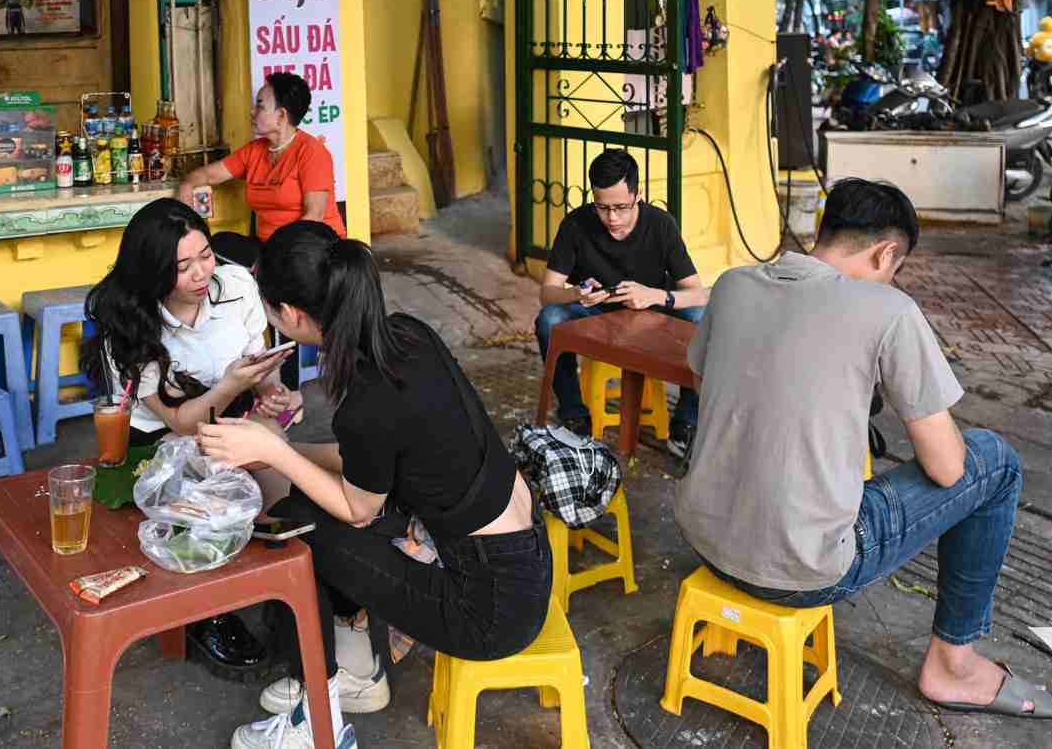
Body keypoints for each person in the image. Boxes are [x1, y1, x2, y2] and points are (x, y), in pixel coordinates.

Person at [678, 179, 1052, 721]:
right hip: (804, 569)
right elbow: (947, 467)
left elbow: (710, 386)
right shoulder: (888, 309)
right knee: (994, 460)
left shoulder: (731, 285)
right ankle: (953, 665)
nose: (893, 278)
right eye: (896, 266)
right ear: (887, 252)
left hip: (705, 537)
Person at [200, 222, 551, 749]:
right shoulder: (407, 336)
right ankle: (356, 667)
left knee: (299, 523)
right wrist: (281, 448)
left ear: (292, 315)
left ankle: (314, 707)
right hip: (521, 560)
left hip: (489, 608)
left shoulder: (368, 400)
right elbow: (370, 463)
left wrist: (272, 451)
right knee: (305, 501)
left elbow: (358, 507)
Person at [87, 198, 329, 679]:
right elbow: (178, 423)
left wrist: (278, 393)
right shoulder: (130, 324)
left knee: (291, 510)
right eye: (183, 267)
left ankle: (295, 611)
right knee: (205, 516)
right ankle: (208, 615)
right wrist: (233, 386)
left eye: (206, 256)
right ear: (154, 272)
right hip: (158, 444)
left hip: (229, 421)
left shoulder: (236, 286)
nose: (202, 274)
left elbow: (257, 368)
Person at [536, 149, 705, 457]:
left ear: (638, 195)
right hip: (595, 311)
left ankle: (686, 423)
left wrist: (657, 295)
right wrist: (576, 294)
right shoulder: (576, 224)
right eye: (603, 208)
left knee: (702, 316)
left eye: (621, 208)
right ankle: (575, 415)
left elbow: (699, 293)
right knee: (549, 319)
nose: (612, 218)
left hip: (650, 309)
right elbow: (547, 292)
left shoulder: (660, 224)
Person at [181, 72, 345, 270]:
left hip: (312, 250)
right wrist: (187, 185)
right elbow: (207, 175)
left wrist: (276, 259)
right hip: (267, 249)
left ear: (281, 116)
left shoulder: (312, 152)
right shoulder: (254, 151)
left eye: (260, 106)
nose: (252, 111)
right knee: (215, 244)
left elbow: (313, 217)